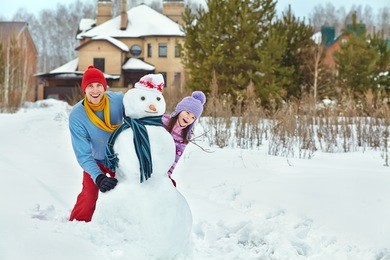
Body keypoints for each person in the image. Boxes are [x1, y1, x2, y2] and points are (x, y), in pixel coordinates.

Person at [68, 65, 124, 222]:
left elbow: (140, 110)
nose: (95, 90)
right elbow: (83, 154)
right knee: (89, 194)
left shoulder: (118, 101)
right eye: (90, 86)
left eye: (99, 85)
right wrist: (98, 177)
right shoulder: (77, 116)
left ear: (104, 87)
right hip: (96, 160)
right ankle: (75, 226)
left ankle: (130, 227)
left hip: (120, 159)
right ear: (84, 89)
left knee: (129, 190)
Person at [162, 91, 206, 186]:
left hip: (161, 168)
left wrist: (167, 176)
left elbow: (175, 159)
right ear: (179, 110)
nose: (188, 118)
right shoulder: (162, 120)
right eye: (187, 112)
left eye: (193, 117)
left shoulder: (183, 138)